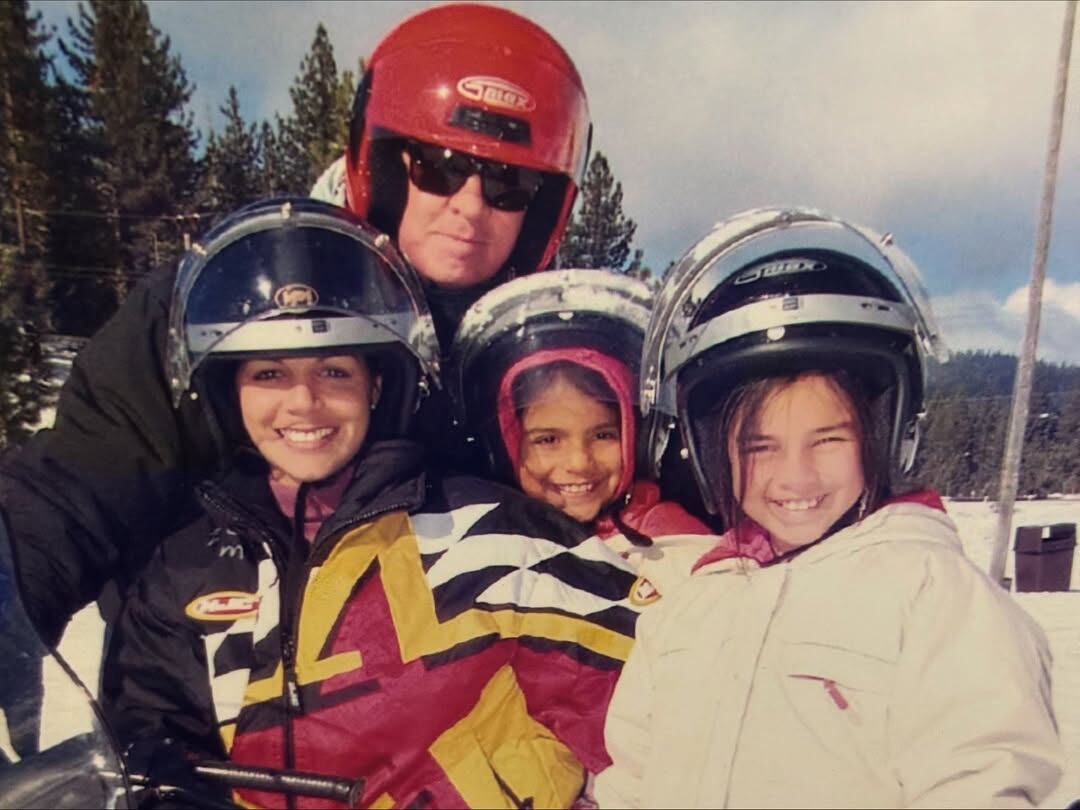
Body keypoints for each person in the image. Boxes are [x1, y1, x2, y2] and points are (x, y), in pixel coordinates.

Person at [0, 2, 593, 647]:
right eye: (439, 166)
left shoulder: (546, 351)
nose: (469, 206)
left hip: (467, 707)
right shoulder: (235, 299)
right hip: (214, 697)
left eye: (510, 185)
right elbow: (76, 494)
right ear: (386, 164)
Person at [101, 198, 643, 809]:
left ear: (377, 385)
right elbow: (148, 743)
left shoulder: (496, 533)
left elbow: (647, 705)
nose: (303, 403)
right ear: (230, 390)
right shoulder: (184, 569)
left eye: (334, 372)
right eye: (270, 375)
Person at [594, 207, 1063, 808]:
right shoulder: (692, 605)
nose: (796, 475)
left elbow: (983, 778)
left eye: (829, 439)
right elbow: (634, 777)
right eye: (759, 447)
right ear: (710, 453)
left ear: (886, 432)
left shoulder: (933, 594)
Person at [449, 270, 712, 599]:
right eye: (548, 440)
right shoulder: (483, 545)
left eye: (603, 435)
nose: (578, 462)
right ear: (506, 444)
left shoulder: (680, 552)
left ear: (637, 435)